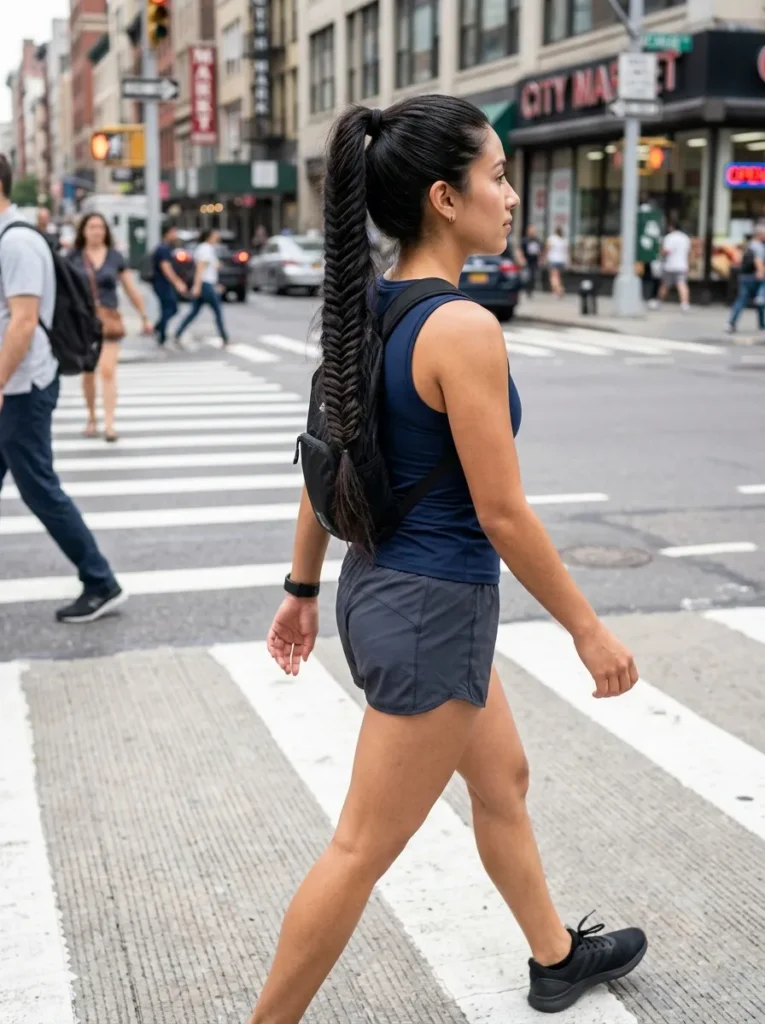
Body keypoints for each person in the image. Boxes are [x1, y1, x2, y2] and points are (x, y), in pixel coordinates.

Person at [255, 97, 646, 1024]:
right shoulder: (462, 328)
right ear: (443, 196)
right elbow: (502, 515)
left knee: (501, 778)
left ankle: (554, 957)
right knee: (359, 849)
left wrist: (302, 589)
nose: (509, 196)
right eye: (497, 176)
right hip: (433, 607)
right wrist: (589, 631)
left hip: (384, 591)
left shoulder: (366, 313)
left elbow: (326, 469)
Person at [0, 154, 125, 623]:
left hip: (23, 388)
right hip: (14, 386)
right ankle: (99, 577)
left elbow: (24, 322)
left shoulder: (16, 245)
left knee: (40, 488)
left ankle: (100, 580)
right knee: (37, 485)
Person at [68, 213, 152, 442]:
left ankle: (109, 423)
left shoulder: (115, 257)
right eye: (92, 227)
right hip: (83, 322)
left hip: (109, 320)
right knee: (87, 373)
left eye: (100, 227)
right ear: (83, 230)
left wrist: (144, 316)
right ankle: (92, 417)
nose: (96, 231)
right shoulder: (73, 257)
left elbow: (129, 288)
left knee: (107, 370)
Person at [173, 228, 229, 346]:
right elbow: (200, 269)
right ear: (209, 236)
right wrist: (197, 286)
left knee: (194, 312)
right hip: (205, 285)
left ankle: (178, 333)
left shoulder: (208, 249)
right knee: (217, 311)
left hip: (207, 284)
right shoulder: (205, 248)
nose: (217, 237)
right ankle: (225, 338)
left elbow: (209, 269)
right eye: (215, 235)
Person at [151, 222, 187, 346]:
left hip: (162, 283)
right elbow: (166, 268)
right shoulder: (163, 248)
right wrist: (177, 282)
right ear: (167, 233)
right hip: (162, 283)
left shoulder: (166, 247)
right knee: (171, 307)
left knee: (167, 308)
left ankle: (161, 332)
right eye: (173, 232)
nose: (175, 235)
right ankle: (160, 330)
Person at [727, 221, 765, 334]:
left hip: (744, 276)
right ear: (760, 234)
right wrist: (760, 271)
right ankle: (762, 322)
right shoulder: (759, 247)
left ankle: (731, 323)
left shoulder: (748, 245)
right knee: (760, 298)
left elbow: (739, 259)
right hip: (755, 276)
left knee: (741, 299)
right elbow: (758, 260)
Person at [655, 219, 691, 310]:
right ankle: (684, 303)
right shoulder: (685, 238)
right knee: (682, 284)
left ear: (671, 227)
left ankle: (659, 302)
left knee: (665, 284)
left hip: (670, 265)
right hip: (682, 264)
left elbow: (667, 251)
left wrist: (660, 256)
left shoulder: (669, 237)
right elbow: (688, 251)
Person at [545, 226, 567, 298]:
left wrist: (545, 258)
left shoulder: (552, 239)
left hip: (553, 259)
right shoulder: (563, 240)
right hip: (561, 260)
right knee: (558, 276)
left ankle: (558, 290)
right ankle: (556, 290)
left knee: (553, 276)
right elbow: (566, 252)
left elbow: (547, 249)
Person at [520, 223, 542, 297]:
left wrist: (540, 260)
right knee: (526, 276)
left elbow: (540, 251)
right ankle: (527, 290)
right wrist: (522, 259)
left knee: (533, 276)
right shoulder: (524, 240)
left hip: (534, 261)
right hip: (527, 260)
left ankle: (530, 290)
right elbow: (520, 250)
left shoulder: (537, 241)